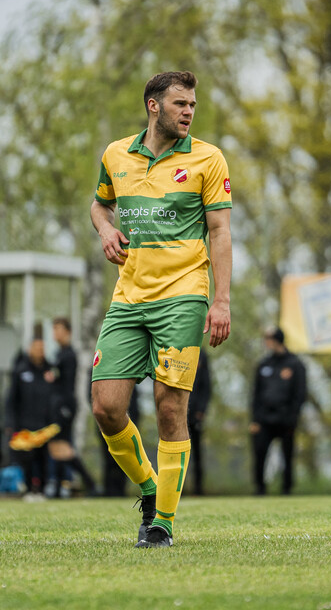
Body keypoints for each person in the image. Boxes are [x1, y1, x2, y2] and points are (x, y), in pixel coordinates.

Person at [89, 70, 232, 548]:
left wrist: (221, 300)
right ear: (154, 106)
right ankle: (151, 489)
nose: (188, 112)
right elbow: (99, 206)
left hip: (183, 297)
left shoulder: (208, 158)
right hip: (128, 298)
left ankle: (161, 524)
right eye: (179, 104)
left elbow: (220, 232)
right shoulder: (116, 154)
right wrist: (106, 230)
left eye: (192, 104)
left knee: (171, 407)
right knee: (106, 408)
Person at [250, 326, 307, 496]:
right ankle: (260, 489)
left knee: (287, 455)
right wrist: (255, 419)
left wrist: (293, 416)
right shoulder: (264, 364)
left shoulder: (295, 364)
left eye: (269, 339)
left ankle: (287, 489)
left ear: (277, 340)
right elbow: (255, 394)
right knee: (260, 452)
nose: (266, 343)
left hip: (285, 418)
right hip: (264, 418)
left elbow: (300, 393)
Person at [46, 316, 98, 497]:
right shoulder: (58, 354)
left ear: (67, 332)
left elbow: (67, 385)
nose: (55, 333)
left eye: (58, 329)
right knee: (56, 447)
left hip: (65, 405)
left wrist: (64, 407)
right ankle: (60, 487)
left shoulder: (69, 355)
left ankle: (89, 483)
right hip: (57, 405)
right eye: (54, 329)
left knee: (63, 447)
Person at [6, 331, 58, 497]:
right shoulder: (20, 371)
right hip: (25, 424)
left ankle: (42, 490)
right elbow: (11, 400)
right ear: (30, 349)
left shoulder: (50, 371)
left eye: (42, 348)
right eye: (36, 348)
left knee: (43, 458)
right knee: (26, 458)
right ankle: (28, 489)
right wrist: (11, 423)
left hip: (45, 424)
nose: (39, 351)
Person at [188, 349, 212, 496]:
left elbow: (206, 385)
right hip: (176, 411)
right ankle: (175, 488)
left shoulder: (201, 354)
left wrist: (201, 410)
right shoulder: (174, 347)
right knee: (175, 451)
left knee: (197, 453)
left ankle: (198, 488)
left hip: (194, 413)